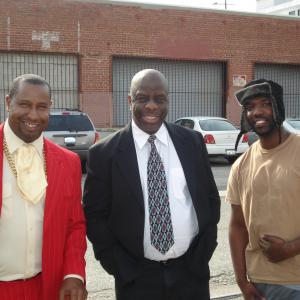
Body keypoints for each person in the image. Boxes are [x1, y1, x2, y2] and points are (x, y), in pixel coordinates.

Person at [83, 68, 220, 300]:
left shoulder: (192, 142)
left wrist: (203, 254)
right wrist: (119, 266)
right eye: (142, 98)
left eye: (159, 99)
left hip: (191, 274)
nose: (152, 106)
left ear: (168, 100)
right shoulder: (104, 154)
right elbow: (95, 216)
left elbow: (209, 199)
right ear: (129, 100)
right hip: (136, 280)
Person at [0, 74, 87, 300]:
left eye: (42, 107)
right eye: (24, 105)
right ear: (8, 102)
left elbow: (75, 225)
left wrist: (74, 274)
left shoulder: (68, 162)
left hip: (48, 288)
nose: (33, 115)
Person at [226, 79, 300, 300]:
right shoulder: (241, 165)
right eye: (249, 107)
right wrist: (242, 282)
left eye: (265, 103)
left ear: (278, 106)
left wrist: (290, 249)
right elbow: (237, 226)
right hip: (259, 285)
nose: (257, 112)